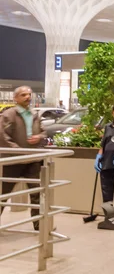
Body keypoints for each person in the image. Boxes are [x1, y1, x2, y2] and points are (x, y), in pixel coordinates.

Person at [0, 86, 47, 230]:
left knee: (37, 193)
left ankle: (39, 225)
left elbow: (44, 133)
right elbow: (3, 137)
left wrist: (38, 137)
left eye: (29, 94)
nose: (27, 97)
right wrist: (20, 151)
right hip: (12, 161)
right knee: (3, 194)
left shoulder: (34, 114)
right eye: (23, 95)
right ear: (15, 98)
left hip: (32, 161)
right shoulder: (8, 115)